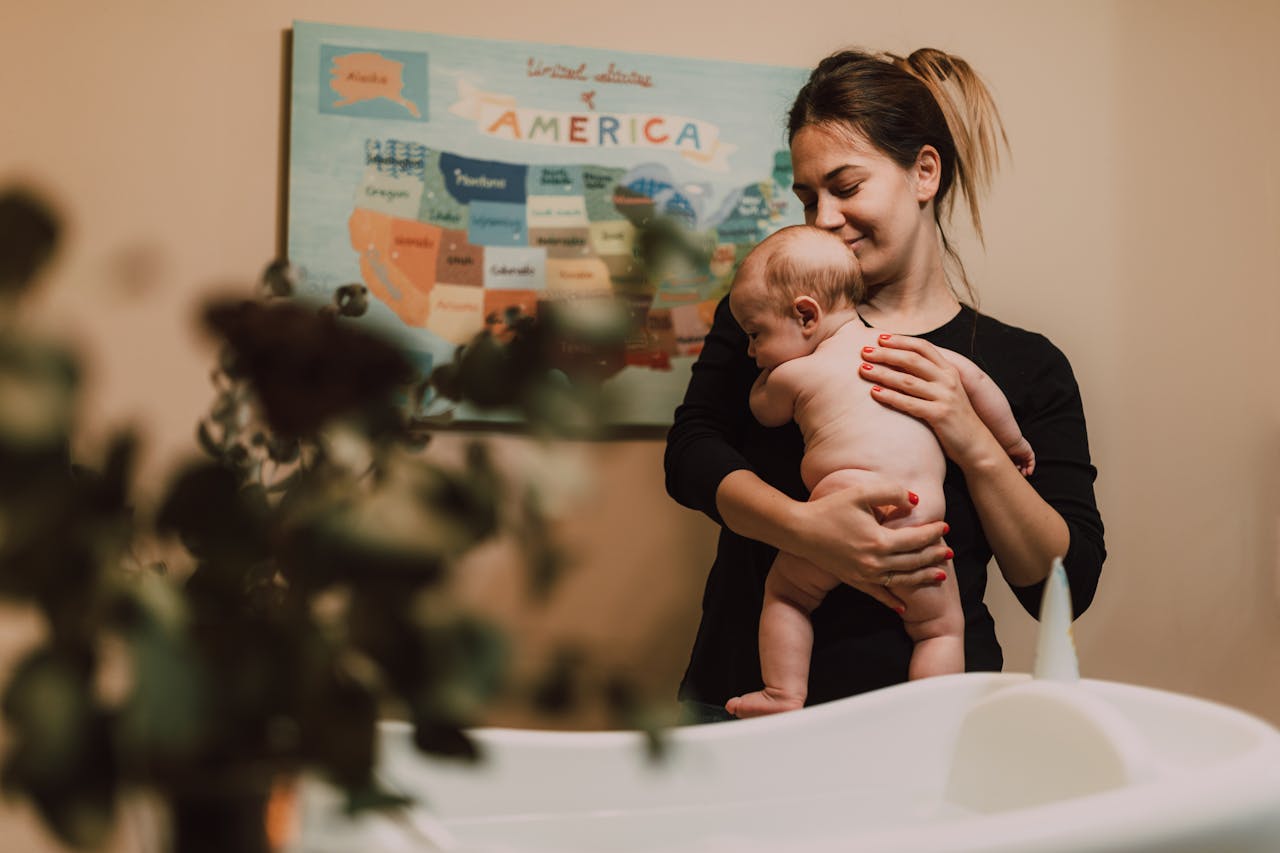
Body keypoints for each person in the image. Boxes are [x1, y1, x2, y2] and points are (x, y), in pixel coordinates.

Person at [664, 48, 1105, 725]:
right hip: (747, 702)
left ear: (923, 172)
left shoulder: (1024, 364)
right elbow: (691, 456)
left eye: (845, 187)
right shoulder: (776, 318)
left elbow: (1061, 586)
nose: (823, 218)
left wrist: (974, 439)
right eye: (807, 197)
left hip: (932, 719)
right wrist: (807, 530)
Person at [724, 224, 1034, 717]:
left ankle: (783, 694)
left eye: (755, 334)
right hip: (920, 524)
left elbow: (764, 410)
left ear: (807, 315)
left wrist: (766, 377)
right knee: (940, 629)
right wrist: (1013, 444)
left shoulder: (795, 373)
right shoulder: (913, 352)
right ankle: (929, 714)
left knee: (787, 595)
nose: (750, 350)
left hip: (837, 514)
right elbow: (976, 381)